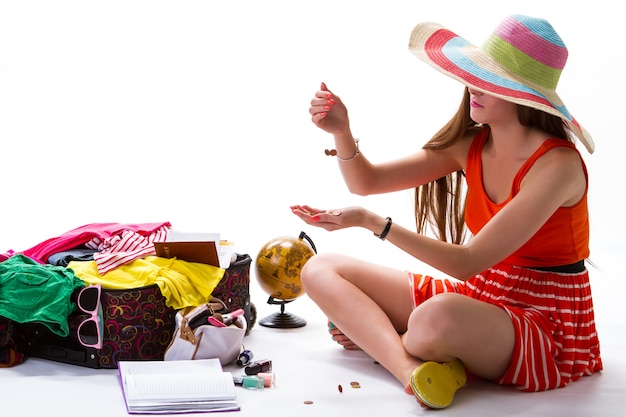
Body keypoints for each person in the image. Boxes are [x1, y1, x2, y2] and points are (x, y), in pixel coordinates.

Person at [291, 15, 602, 409]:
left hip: (545, 320)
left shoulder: (558, 166)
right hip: (484, 295)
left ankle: (382, 338)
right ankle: (409, 371)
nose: (473, 87)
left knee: (432, 319)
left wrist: (373, 223)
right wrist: (341, 130)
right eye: (474, 75)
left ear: (524, 94)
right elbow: (366, 182)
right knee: (319, 269)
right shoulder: (470, 144)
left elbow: (467, 262)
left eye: (491, 80)